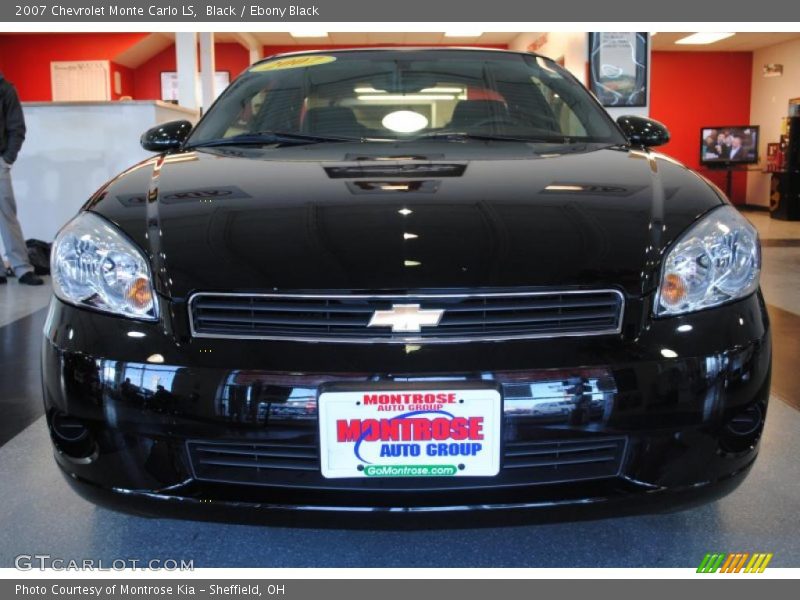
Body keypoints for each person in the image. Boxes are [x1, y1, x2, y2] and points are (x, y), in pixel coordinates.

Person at [0, 70, 43, 286]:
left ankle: (22, 268)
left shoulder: (6, 90)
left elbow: (17, 128)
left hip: (0, 161)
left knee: (7, 215)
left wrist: (7, 160)